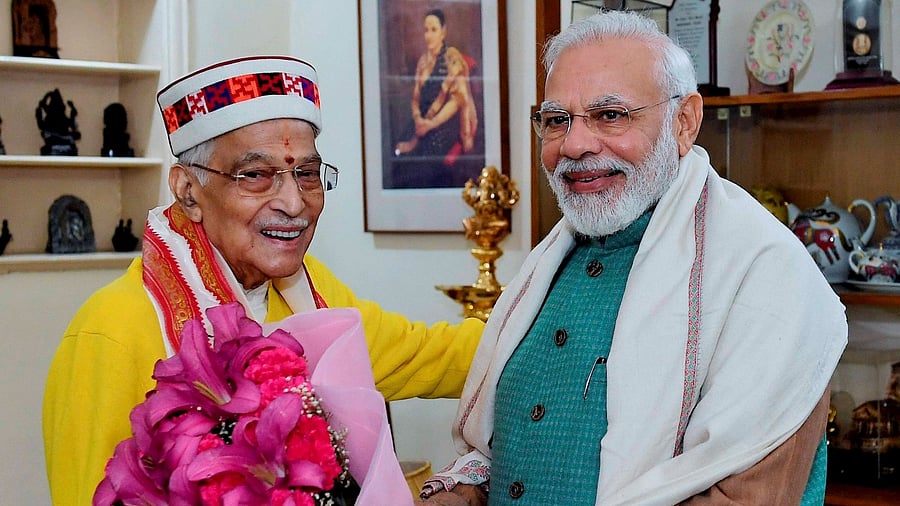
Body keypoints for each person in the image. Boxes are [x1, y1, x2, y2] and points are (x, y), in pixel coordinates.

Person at [418, 11, 847, 506]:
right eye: (557, 120)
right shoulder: (548, 262)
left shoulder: (769, 280)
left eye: (610, 115)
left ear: (684, 122)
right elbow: (498, 451)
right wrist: (460, 494)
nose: (575, 145)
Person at [42, 55, 484, 505]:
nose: (294, 203)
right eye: (255, 175)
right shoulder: (112, 329)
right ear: (187, 191)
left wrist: (547, 326)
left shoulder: (308, 292)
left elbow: (430, 357)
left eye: (307, 174)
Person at [393, 8, 479, 186]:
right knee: (399, 165)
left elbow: (457, 102)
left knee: (425, 167)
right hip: (422, 125)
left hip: (444, 126)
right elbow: (416, 97)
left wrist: (430, 124)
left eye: (433, 30)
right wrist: (418, 119)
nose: (428, 35)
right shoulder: (423, 61)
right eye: (426, 30)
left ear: (443, 31)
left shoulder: (452, 59)